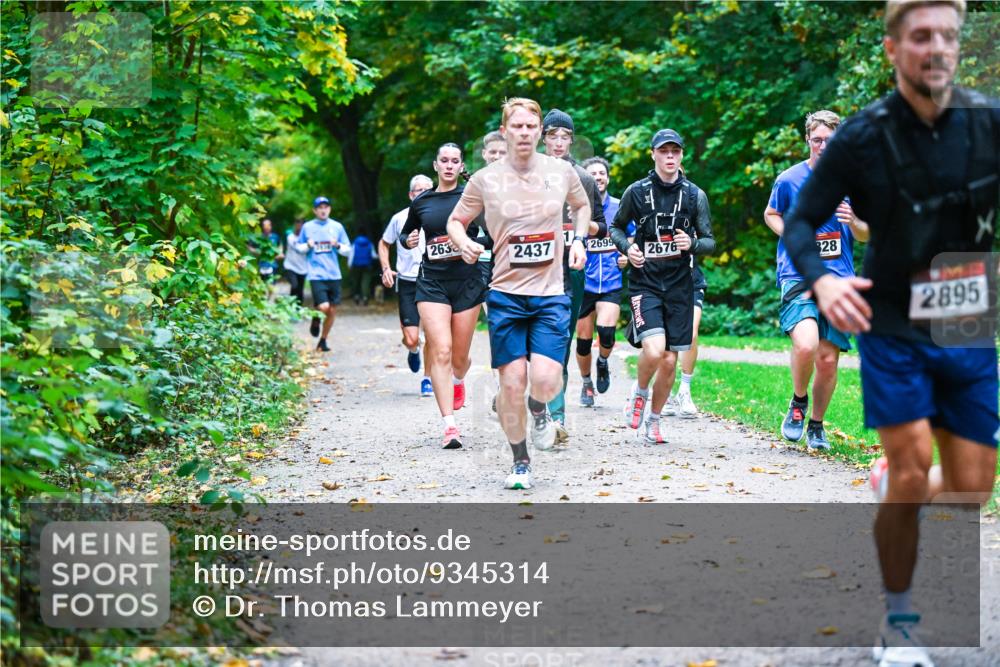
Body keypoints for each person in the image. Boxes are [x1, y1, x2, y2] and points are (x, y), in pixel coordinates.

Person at [782, 2, 997, 664]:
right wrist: (823, 282)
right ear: (892, 48)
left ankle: (898, 490)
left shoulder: (987, 122)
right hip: (892, 319)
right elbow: (801, 221)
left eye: (948, 36)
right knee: (910, 467)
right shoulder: (863, 137)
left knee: (972, 487)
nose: (937, 48)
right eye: (921, 36)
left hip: (965, 314)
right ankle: (899, 622)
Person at [447, 97, 591, 489]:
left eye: (531, 126)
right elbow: (456, 220)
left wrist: (579, 240)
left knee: (545, 379)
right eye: (517, 126)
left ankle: (538, 409)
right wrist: (464, 242)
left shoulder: (560, 172)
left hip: (550, 294)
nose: (524, 133)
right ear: (504, 131)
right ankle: (521, 461)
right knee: (511, 383)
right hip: (506, 294)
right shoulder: (485, 179)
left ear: (539, 131)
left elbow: (582, 207)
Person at [764, 110, 870, 449]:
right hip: (798, 272)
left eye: (830, 140)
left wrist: (853, 221)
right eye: (817, 140)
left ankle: (816, 425)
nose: (823, 146)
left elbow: (866, 235)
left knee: (827, 360)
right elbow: (771, 214)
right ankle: (798, 403)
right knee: (806, 344)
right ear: (808, 140)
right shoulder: (789, 179)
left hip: (838, 278)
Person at [611, 129, 715, 445]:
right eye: (664, 151)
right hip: (646, 282)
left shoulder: (695, 195)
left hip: (680, 286)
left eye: (675, 151)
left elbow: (709, 242)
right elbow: (616, 228)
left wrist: (692, 243)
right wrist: (628, 248)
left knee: (670, 360)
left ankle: (654, 420)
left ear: (681, 155)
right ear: (653, 154)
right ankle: (639, 392)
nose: (670, 157)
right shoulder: (637, 192)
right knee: (655, 350)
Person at [400, 144, 487, 449]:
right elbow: (406, 234)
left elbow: (492, 233)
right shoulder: (422, 201)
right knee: (441, 350)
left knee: (459, 359)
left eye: (455, 161)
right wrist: (409, 240)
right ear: (436, 165)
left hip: (467, 282)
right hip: (432, 282)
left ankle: (458, 380)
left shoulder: (472, 197)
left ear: (461, 166)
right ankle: (449, 425)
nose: (449, 166)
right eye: (444, 161)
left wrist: (469, 242)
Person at [540, 109, 606, 442]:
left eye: (565, 137)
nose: (559, 142)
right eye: (553, 136)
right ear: (543, 138)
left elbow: (602, 227)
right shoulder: (526, 173)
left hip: (571, 271)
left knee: (561, 342)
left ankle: (557, 416)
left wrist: (580, 224)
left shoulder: (584, 178)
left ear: (572, 140)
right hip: (533, 269)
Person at [379, 174, 434, 397]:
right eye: (419, 190)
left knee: (432, 335)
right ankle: (413, 350)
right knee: (412, 338)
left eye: (427, 190)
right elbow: (384, 243)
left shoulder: (441, 216)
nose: (423, 194)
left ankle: (427, 379)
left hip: (432, 281)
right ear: (411, 195)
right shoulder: (400, 218)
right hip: (407, 282)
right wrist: (385, 268)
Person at [578, 156, 624, 406]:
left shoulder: (619, 207)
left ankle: (603, 361)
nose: (597, 177)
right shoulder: (574, 208)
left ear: (608, 177)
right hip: (582, 283)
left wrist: (627, 253)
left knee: (606, 334)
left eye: (601, 173)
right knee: (583, 343)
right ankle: (586, 383)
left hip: (610, 281)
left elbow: (632, 237)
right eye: (592, 174)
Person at [296, 196, 352, 352]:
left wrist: (338, 245)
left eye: (325, 207)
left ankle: (323, 340)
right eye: (319, 207)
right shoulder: (307, 227)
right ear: (315, 210)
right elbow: (299, 248)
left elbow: (348, 250)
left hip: (334, 274)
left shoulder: (337, 227)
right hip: (316, 275)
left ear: (329, 209)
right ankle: (316, 317)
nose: (323, 210)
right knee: (324, 306)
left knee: (332, 310)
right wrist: (308, 245)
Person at [662, 256, 708, 418]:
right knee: (665, 338)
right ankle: (665, 392)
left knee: (691, 334)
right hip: (662, 282)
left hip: (691, 282)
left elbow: (708, 244)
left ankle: (684, 390)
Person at [250, 218, 283, 286]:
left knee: (271, 286)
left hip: (273, 265)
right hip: (261, 265)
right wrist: (258, 253)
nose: (266, 227)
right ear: (262, 227)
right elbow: (250, 247)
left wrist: (279, 254)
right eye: (264, 225)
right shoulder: (259, 237)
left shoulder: (275, 237)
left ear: (271, 226)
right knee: (261, 286)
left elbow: (280, 246)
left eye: (268, 225)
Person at [283, 218, 308, 307]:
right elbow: (298, 248)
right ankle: (291, 305)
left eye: (301, 225)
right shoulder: (290, 237)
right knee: (294, 286)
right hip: (290, 266)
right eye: (297, 225)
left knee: (300, 289)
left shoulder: (307, 239)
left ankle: (298, 308)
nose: (298, 227)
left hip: (302, 268)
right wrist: (308, 245)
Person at [349, 233, 377, 306]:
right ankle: (365, 297)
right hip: (367, 265)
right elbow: (373, 255)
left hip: (356, 265)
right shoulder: (370, 244)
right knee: (365, 282)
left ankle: (356, 296)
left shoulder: (355, 244)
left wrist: (349, 265)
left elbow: (351, 255)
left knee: (356, 281)